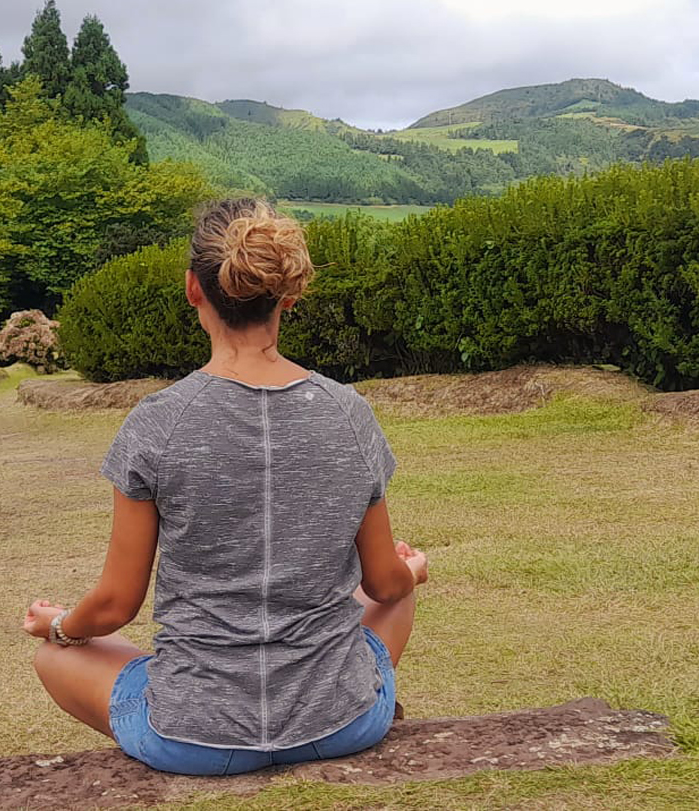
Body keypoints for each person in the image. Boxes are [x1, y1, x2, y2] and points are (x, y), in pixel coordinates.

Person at [24, 196, 430, 776]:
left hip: (193, 736)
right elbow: (384, 585)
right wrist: (413, 571)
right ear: (287, 295)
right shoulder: (348, 413)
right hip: (342, 724)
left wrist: (60, 626)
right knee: (399, 589)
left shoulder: (158, 422)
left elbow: (114, 605)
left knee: (53, 658)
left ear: (194, 288)